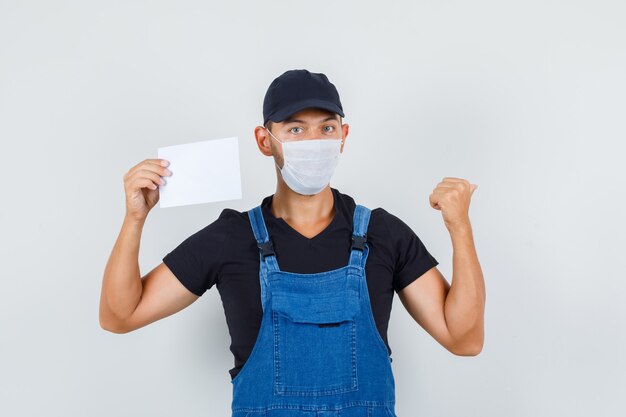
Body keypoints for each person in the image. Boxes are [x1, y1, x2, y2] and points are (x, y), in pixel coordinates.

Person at [100, 69, 485, 417]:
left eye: (327, 128)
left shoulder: (384, 234)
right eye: (295, 129)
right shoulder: (231, 238)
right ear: (265, 141)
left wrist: (460, 228)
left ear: (343, 136)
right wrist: (135, 218)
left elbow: (464, 338)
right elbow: (120, 315)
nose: (313, 141)